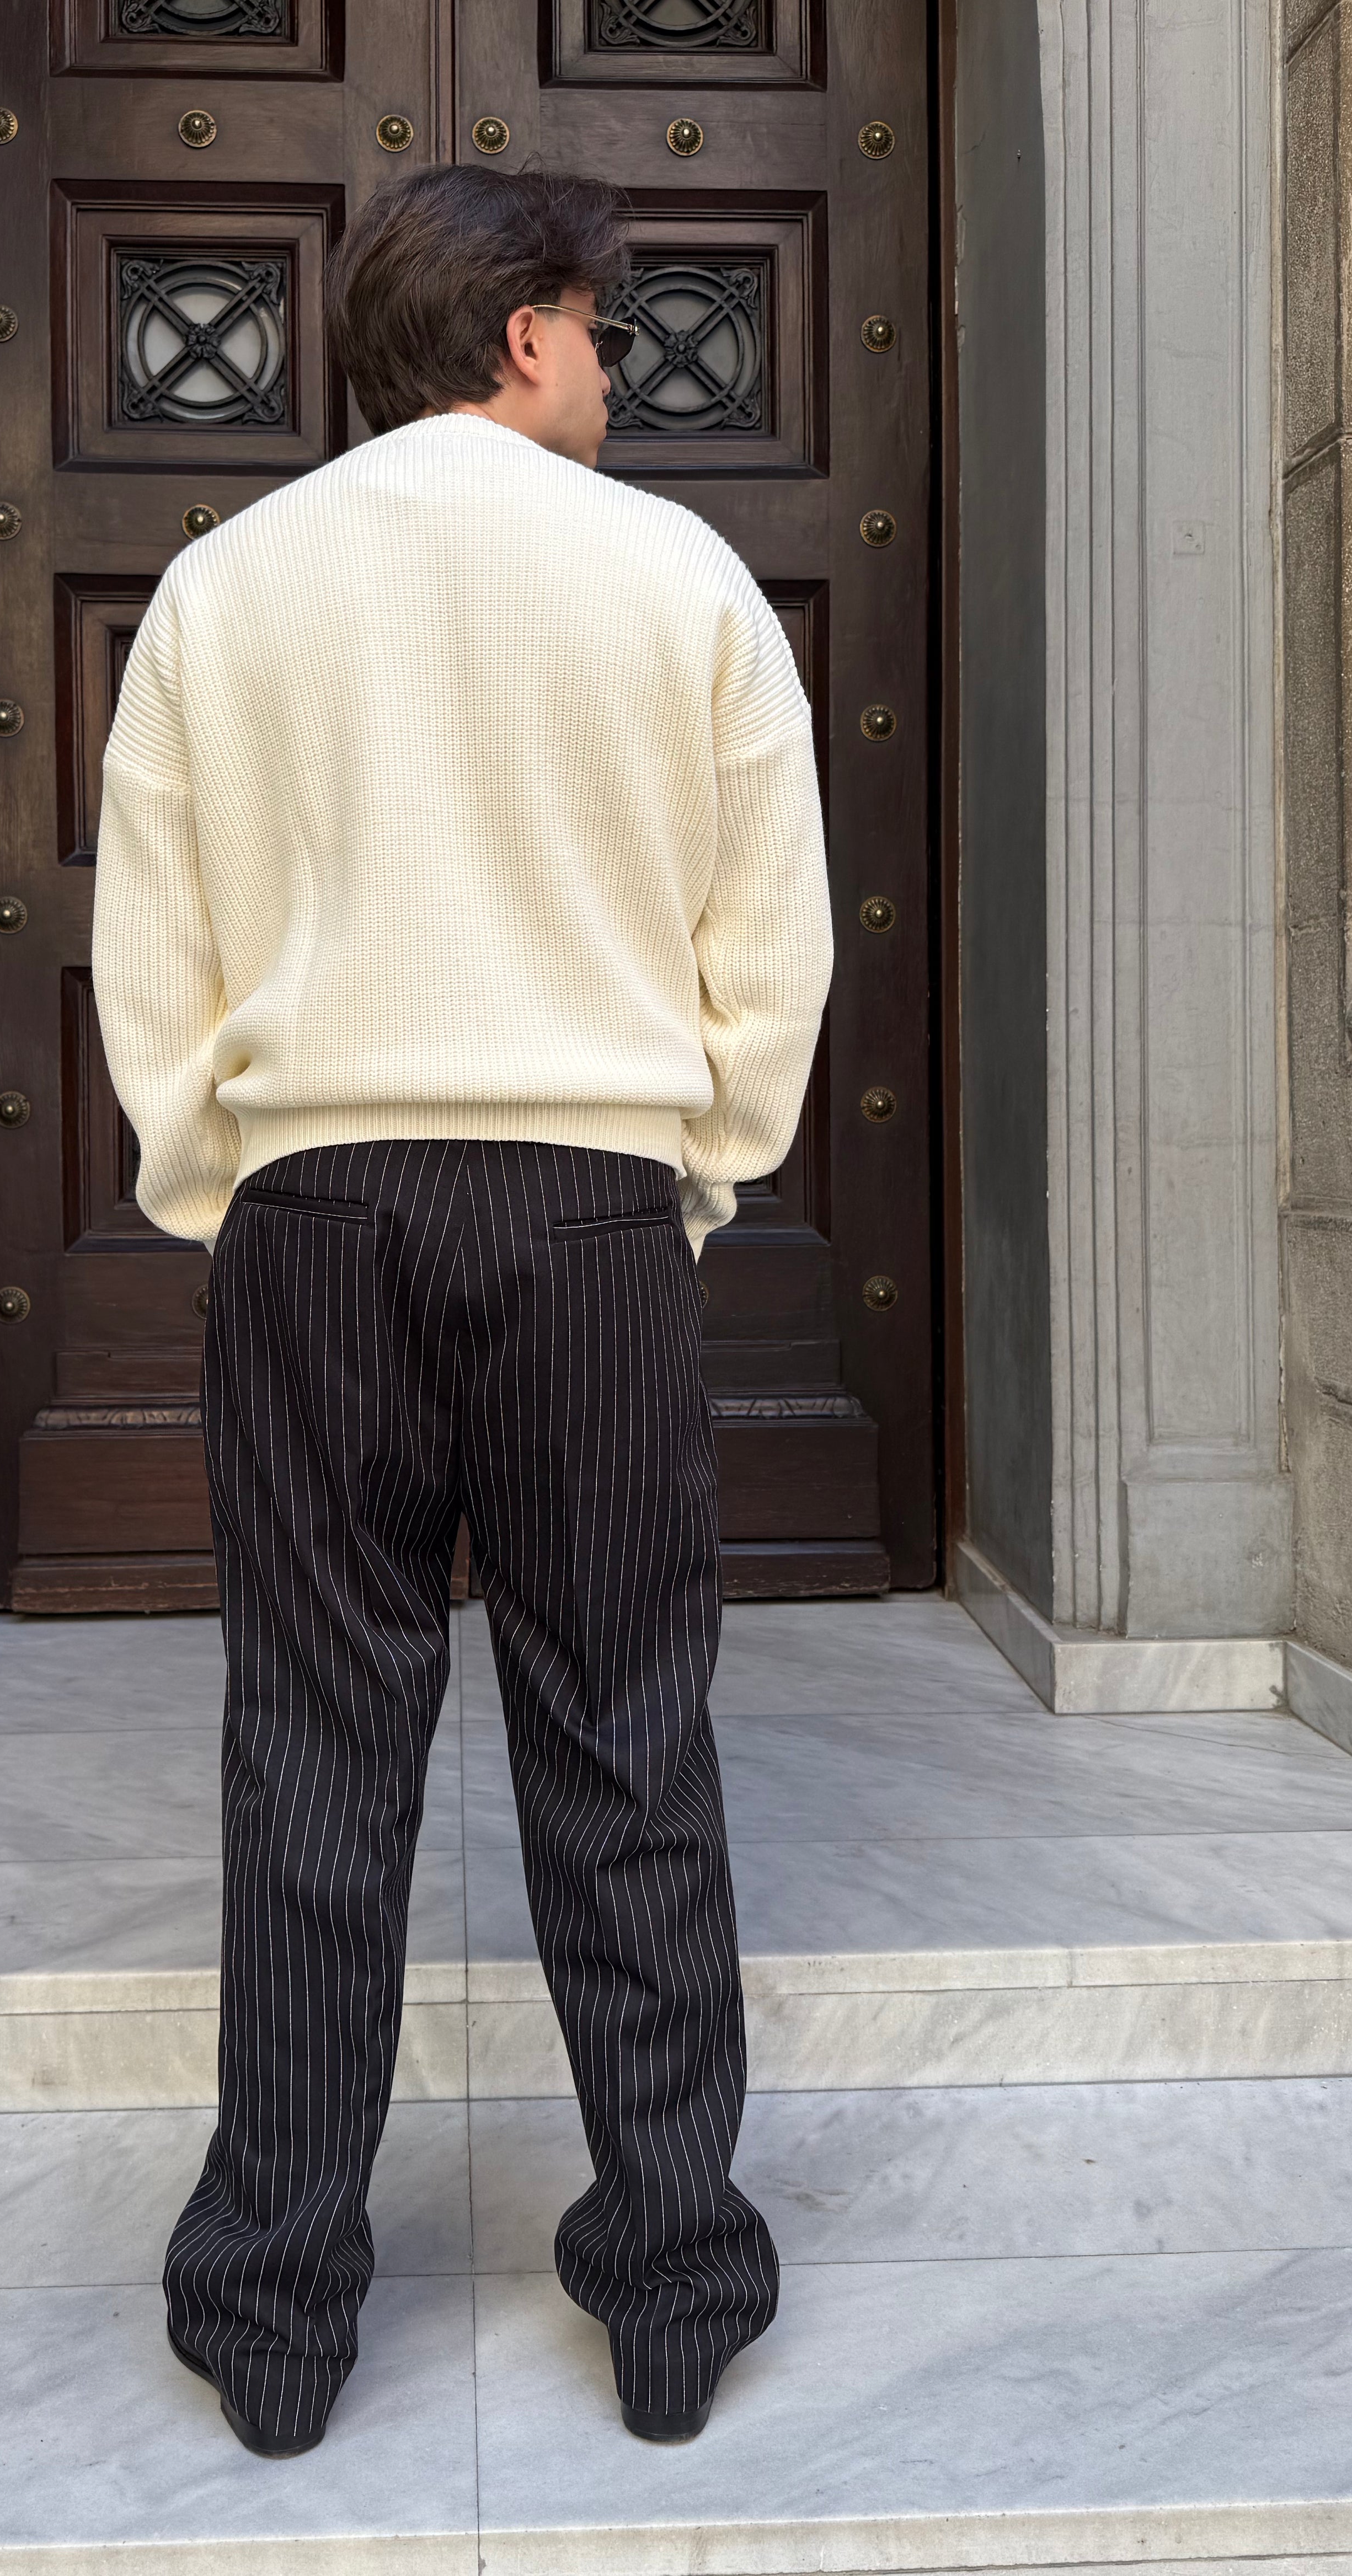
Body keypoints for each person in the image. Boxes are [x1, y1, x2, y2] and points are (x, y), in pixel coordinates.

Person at [92, 163, 833, 2460]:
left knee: (315, 1745)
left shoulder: (227, 582)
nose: (612, 374)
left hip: (319, 1209)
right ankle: (675, 2279)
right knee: (627, 1731)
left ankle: (277, 2314)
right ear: (524, 333)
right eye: (598, 333)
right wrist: (690, 1165)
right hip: (587, 1210)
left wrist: (234, 1177)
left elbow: (152, 948)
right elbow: (770, 942)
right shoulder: (680, 577)